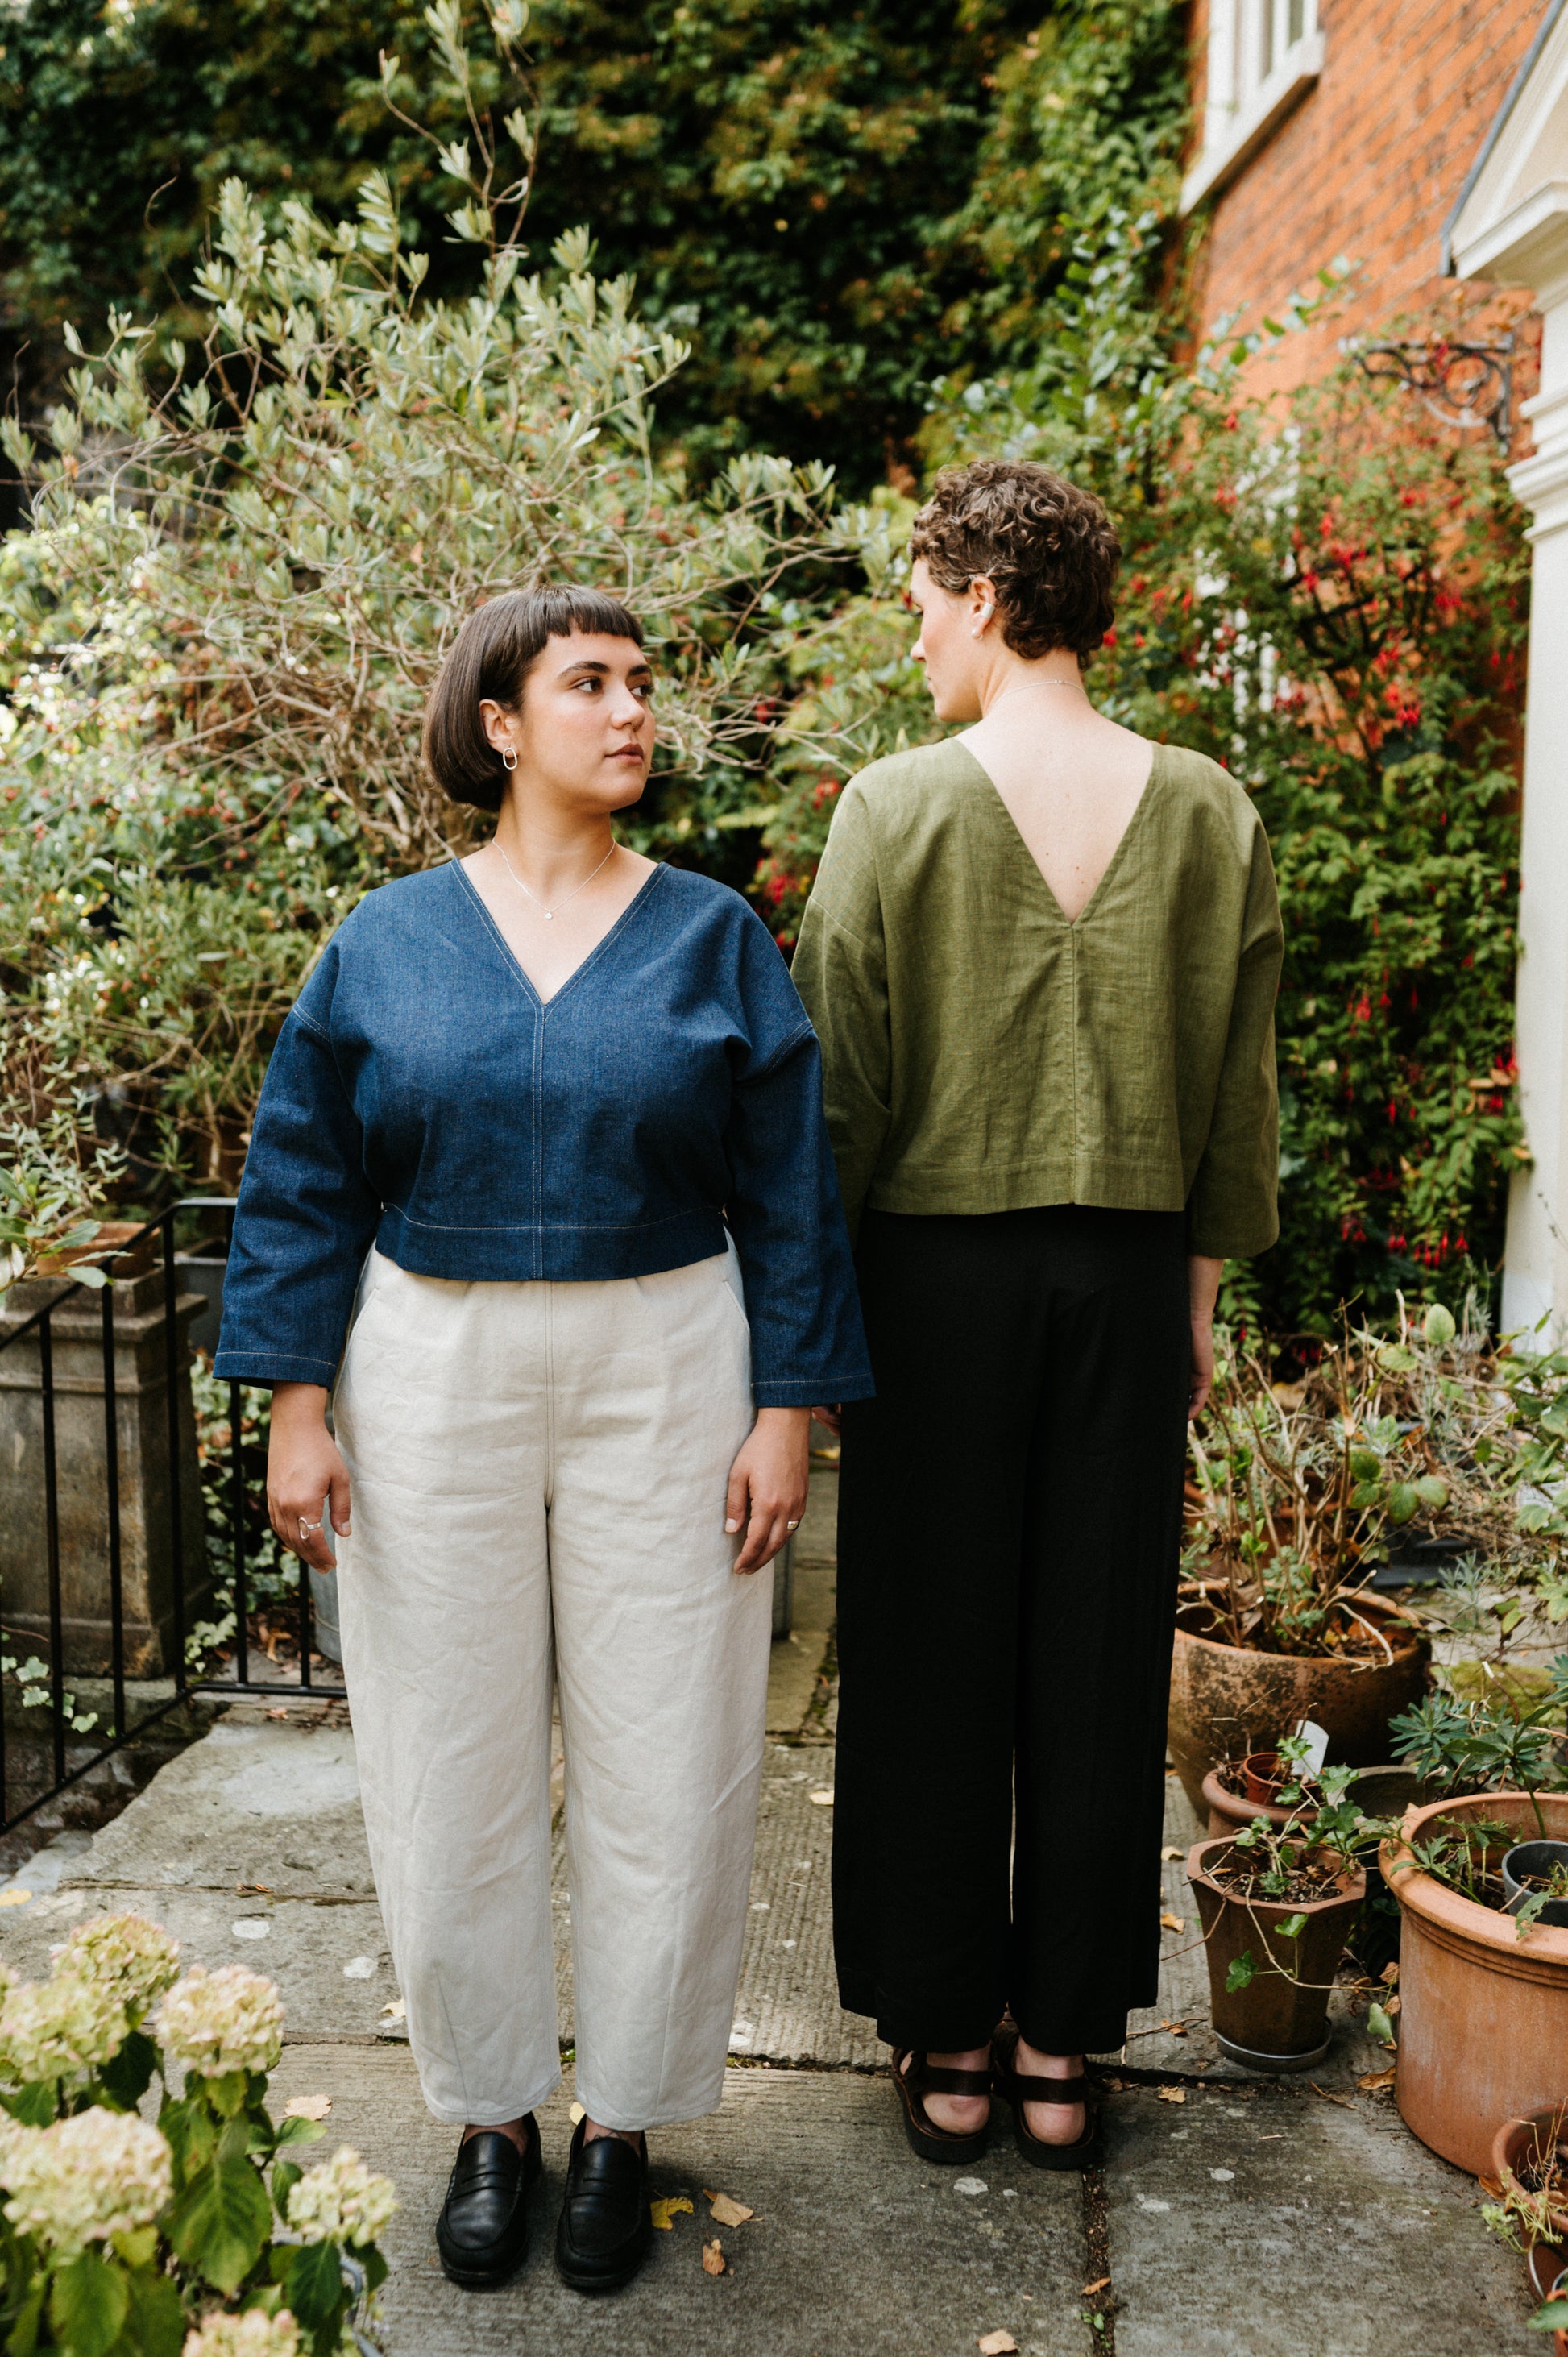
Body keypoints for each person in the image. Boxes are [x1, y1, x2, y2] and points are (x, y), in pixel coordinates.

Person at [213, 585, 872, 2293]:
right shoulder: (384, 942)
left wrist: (785, 1410)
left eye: (643, 684)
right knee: (449, 1753)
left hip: (671, 1357)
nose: (632, 711)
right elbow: (300, 1179)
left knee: (675, 1750)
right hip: (429, 1365)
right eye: (589, 683)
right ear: (498, 722)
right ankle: (492, 2114)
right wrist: (298, 1402)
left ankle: (628, 2120)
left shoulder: (714, 936)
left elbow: (789, 1193)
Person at [791, 459, 1281, 2172]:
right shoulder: (1210, 805)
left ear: (988, 595)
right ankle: (1065, 2035)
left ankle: (945, 2019)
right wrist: (1197, 1299)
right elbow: (1238, 1092)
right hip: (1134, 1279)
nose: (915, 628)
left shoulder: (893, 806)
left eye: (925, 595)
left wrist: (809, 1329)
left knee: (928, 1647)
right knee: (1095, 1643)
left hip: (928, 1283)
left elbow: (833, 1103)